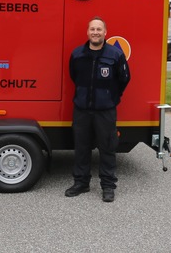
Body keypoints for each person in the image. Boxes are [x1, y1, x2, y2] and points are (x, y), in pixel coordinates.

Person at [65, 16, 130, 203]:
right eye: (92, 29)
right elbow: (73, 76)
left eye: (99, 29)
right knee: (82, 148)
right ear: (87, 32)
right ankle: (81, 183)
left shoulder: (115, 54)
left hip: (105, 111)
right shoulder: (77, 54)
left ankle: (108, 186)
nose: (95, 32)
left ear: (105, 32)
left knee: (107, 148)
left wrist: (111, 97)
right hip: (82, 110)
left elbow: (124, 78)